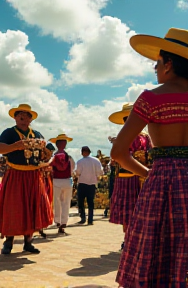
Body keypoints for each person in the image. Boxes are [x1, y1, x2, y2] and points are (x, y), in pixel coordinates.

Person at [111, 27, 188, 287]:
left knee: (156, 249)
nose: (154, 69)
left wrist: (148, 174)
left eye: (157, 63)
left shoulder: (151, 98)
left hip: (163, 180)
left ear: (169, 64)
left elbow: (118, 152)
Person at [0, 104, 53, 254]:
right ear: (15, 117)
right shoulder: (9, 133)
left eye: (27, 116)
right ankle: (9, 241)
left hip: (34, 175)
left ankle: (28, 241)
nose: (23, 119)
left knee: (33, 207)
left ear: (31, 119)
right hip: (16, 174)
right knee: (13, 208)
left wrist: (46, 155)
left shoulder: (37, 134)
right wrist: (15, 146)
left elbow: (44, 154)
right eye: (20, 116)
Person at [108, 103, 151, 250]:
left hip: (127, 177)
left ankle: (129, 240)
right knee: (138, 210)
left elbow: (116, 157)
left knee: (128, 211)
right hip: (141, 177)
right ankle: (134, 240)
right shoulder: (146, 138)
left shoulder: (123, 136)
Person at [49, 133, 75, 233]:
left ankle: (57, 221)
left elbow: (50, 169)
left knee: (57, 201)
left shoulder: (53, 157)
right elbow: (72, 168)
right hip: (67, 180)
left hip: (56, 181)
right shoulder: (69, 157)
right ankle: (64, 221)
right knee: (66, 201)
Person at [74, 146, 103, 225]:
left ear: (82, 152)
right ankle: (90, 219)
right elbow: (100, 171)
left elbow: (78, 172)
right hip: (92, 183)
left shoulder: (80, 161)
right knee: (90, 202)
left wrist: (77, 176)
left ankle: (83, 218)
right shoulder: (96, 160)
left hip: (82, 183)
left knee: (81, 202)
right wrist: (97, 177)